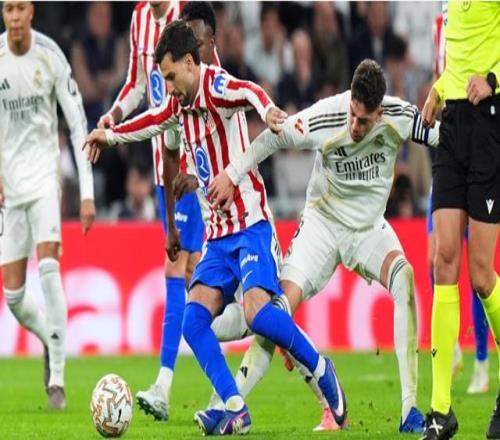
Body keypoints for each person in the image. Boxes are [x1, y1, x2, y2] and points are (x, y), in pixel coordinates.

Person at [85, 20, 347, 436]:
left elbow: (249, 90)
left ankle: (320, 367)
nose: (168, 87)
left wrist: (268, 110)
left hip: (252, 225)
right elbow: (149, 120)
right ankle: (235, 407)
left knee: (258, 314)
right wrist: (109, 135)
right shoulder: (177, 106)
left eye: (171, 76)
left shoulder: (215, 86)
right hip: (219, 236)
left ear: (190, 63)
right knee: (192, 321)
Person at [208, 59, 440, 434]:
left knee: (405, 279)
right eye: (352, 114)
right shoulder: (328, 115)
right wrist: (232, 175)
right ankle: (225, 404)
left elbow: (446, 137)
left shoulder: (400, 116)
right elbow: (274, 137)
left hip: (368, 229)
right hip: (323, 224)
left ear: (380, 112)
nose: (355, 125)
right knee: (272, 313)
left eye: (363, 120)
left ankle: (409, 410)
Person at [0, 1, 95, 409]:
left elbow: (77, 123)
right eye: (8, 10)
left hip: (43, 179)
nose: (14, 17)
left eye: (20, 8)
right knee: (14, 297)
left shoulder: (50, 55)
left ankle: (57, 379)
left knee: (50, 269)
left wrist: (87, 193)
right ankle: (48, 338)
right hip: (9, 188)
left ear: (31, 12)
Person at [96, 0, 188, 421]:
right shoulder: (138, 18)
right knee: (195, 275)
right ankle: (270, 340)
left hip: (194, 163)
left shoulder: (187, 12)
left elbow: (210, 78)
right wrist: (114, 115)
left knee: (180, 269)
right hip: (162, 164)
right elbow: (137, 84)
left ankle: (165, 386)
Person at [420, 2, 500, 439]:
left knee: (482, 275)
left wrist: (493, 80)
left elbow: (485, 62)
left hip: (488, 123)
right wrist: (438, 88)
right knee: (443, 261)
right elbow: (463, 50)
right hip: (452, 124)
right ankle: (440, 410)